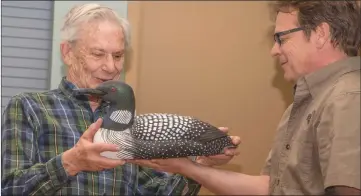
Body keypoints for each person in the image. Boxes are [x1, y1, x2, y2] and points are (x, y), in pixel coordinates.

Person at [1, 3, 240, 195]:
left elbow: (160, 191)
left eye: (117, 55)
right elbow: (10, 188)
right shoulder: (30, 107)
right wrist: (70, 163)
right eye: (97, 54)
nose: (110, 67)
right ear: (67, 53)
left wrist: (201, 164)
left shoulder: (128, 124)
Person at [129, 1, 361, 195]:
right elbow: (270, 187)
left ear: (321, 34)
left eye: (282, 38)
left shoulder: (348, 99)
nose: (274, 50)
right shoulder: (303, 104)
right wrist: (187, 166)